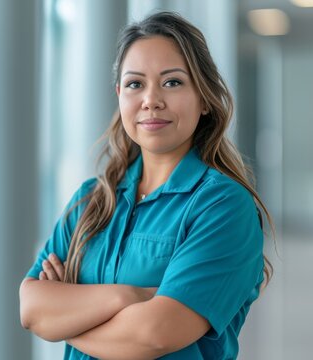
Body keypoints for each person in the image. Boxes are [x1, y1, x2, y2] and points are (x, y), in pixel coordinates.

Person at [19, 11, 273, 360]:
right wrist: (129, 296)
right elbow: (32, 309)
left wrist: (63, 320)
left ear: (203, 98)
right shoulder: (91, 201)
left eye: (172, 82)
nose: (151, 100)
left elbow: (154, 335)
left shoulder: (223, 207)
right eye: (135, 84)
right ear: (120, 96)